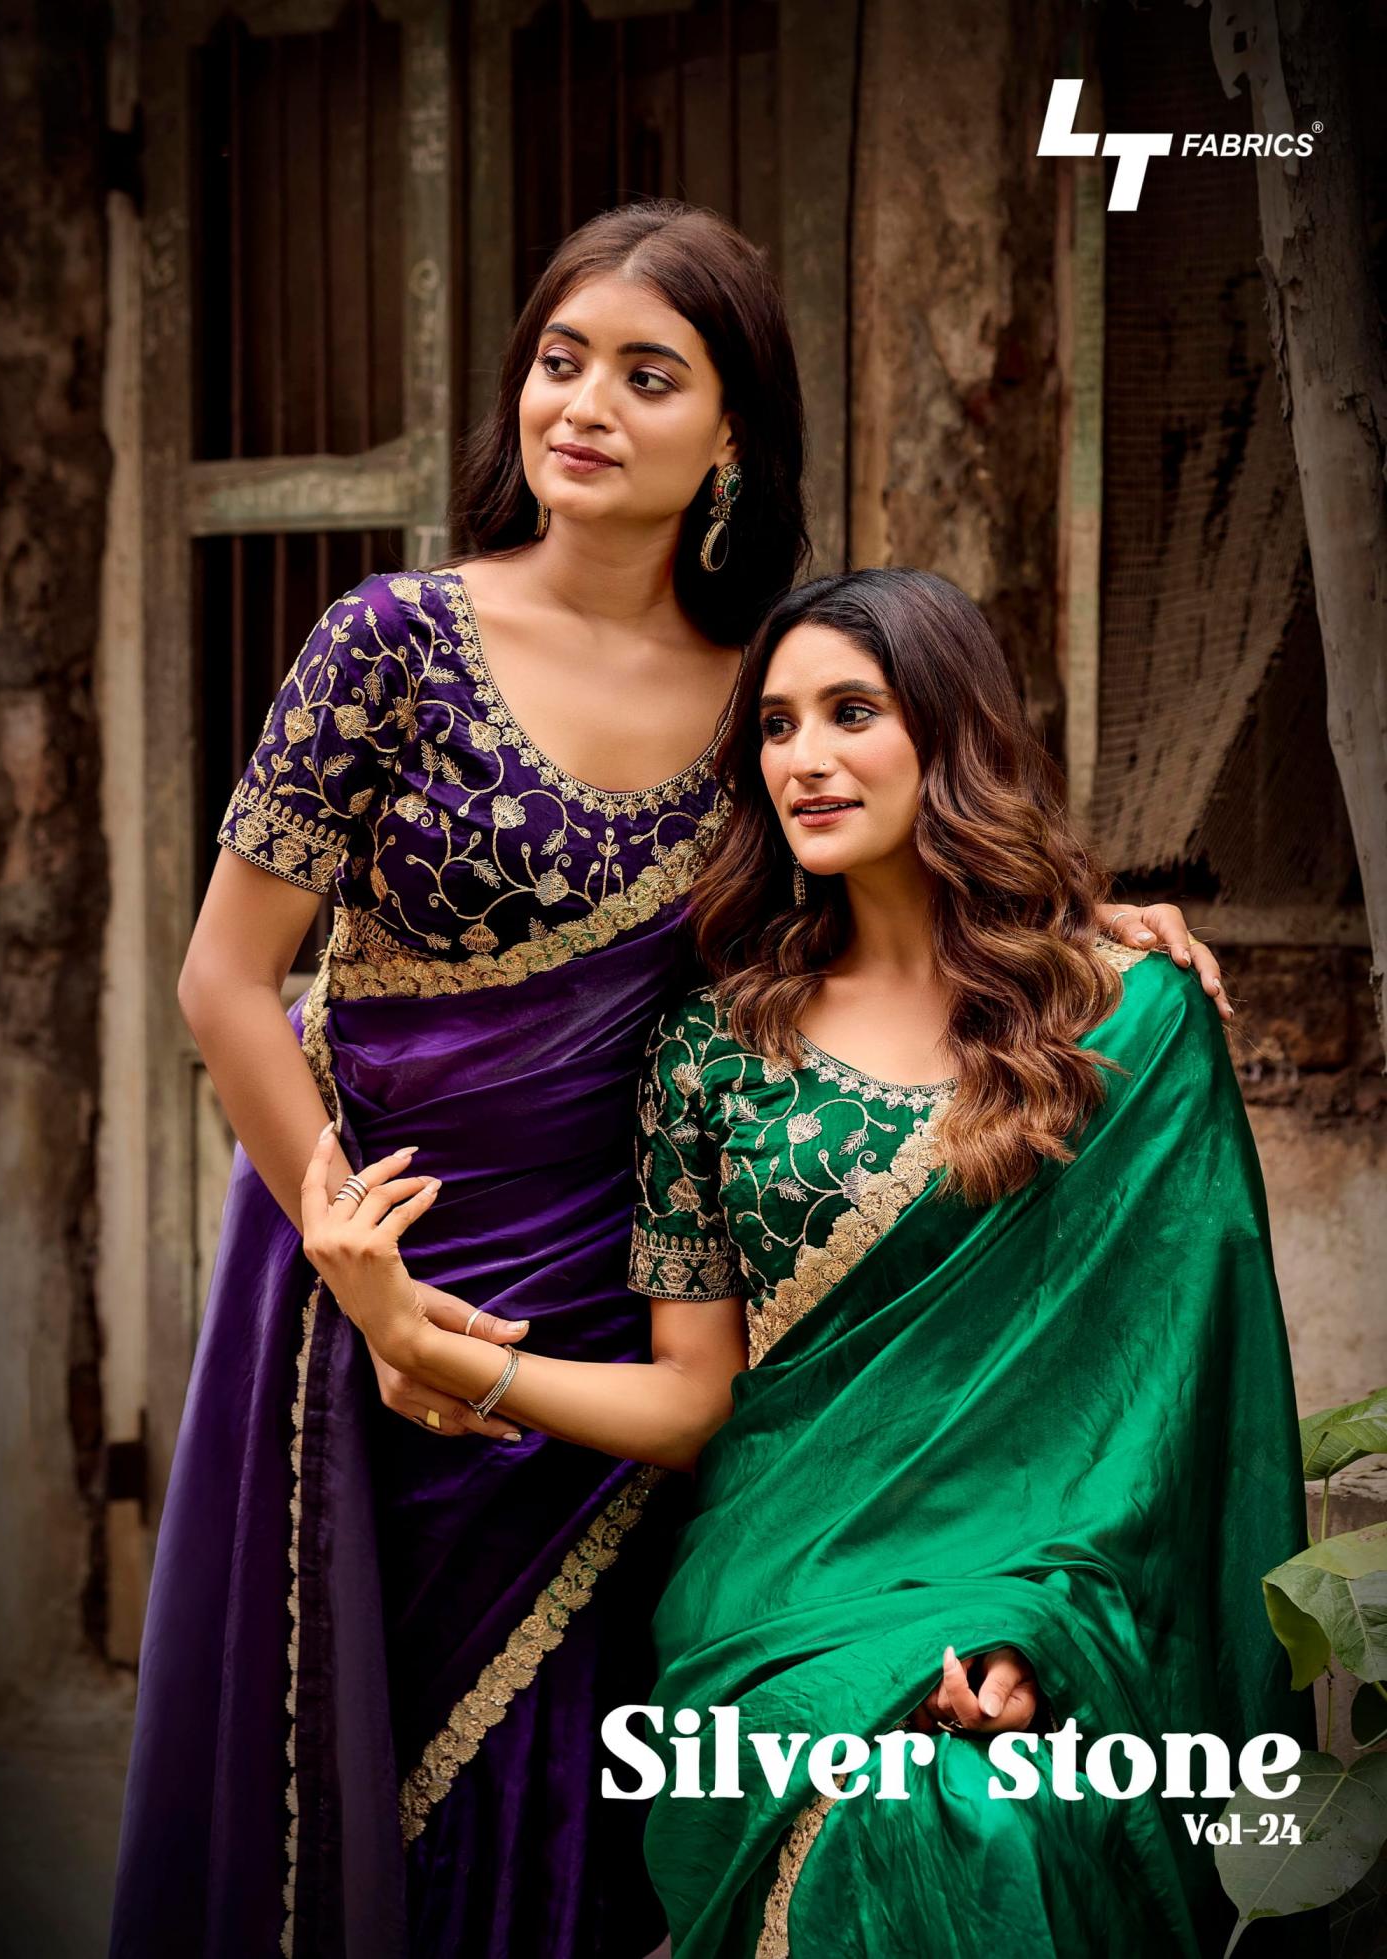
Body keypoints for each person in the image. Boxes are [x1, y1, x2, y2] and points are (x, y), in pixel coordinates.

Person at [111, 192, 1223, 1959]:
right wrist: (359, 1269)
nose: (585, 406)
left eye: (648, 376)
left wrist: (1091, 922)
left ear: (730, 437)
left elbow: (897, 862)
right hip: (368, 1259)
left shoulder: (762, 695)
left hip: (632, 1294)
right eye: (561, 361)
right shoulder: (387, 643)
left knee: (576, 1774)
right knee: (348, 1765)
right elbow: (226, 981)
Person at [304, 568, 1307, 1959]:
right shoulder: (714, 1047)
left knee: (996, 1818)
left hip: (1063, 1601)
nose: (805, 759)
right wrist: (420, 1340)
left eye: (852, 712)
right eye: (776, 726)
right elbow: (692, 1400)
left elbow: (1166, 1410)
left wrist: (1031, 1625)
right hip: (783, 1596)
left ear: (953, 733)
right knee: (902, 1814)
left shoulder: (1131, 1025)